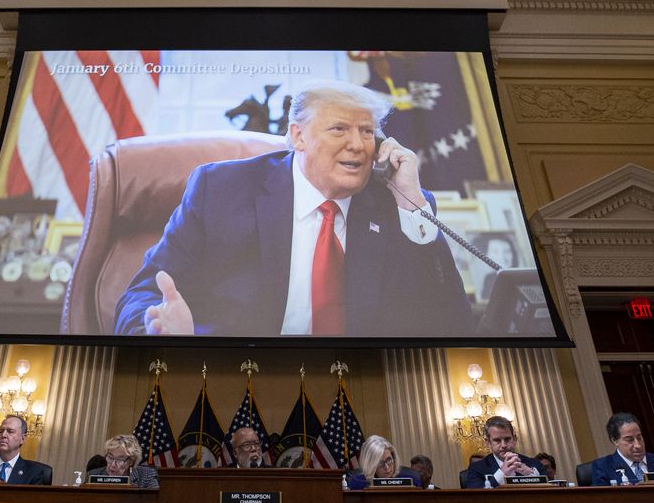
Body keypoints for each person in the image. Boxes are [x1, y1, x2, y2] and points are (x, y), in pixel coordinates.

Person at [114, 81, 473, 337]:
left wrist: (412, 205)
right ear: (298, 136)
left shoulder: (397, 202)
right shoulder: (222, 190)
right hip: (235, 372)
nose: (358, 145)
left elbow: (450, 318)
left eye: (367, 132)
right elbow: (142, 293)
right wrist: (155, 328)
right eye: (339, 129)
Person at [589, 412, 654, 486]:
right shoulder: (603, 467)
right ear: (615, 440)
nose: (638, 445)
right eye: (629, 440)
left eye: (639, 438)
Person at [459, 416, 545, 488]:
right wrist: (501, 474)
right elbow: (476, 499)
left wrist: (531, 476)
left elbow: (549, 494)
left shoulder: (535, 464)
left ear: (514, 439)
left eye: (507, 439)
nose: (503, 445)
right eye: (497, 440)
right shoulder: (476, 469)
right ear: (488, 442)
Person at [0, 415, 52, 484]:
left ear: (22, 439)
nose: (3, 435)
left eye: (10, 431)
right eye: (0, 431)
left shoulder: (37, 472)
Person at [346, 435, 423, 489]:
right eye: (380, 463)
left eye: (389, 460)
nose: (387, 468)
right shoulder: (356, 483)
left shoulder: (412, 479)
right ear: (370, 465)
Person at [87, 434, 159, 489]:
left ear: (131, 461)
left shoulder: (146, 476)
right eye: (110, 457)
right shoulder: (94, 475)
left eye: (120, 460)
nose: (113, 465)